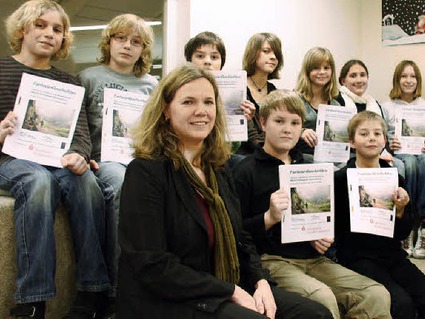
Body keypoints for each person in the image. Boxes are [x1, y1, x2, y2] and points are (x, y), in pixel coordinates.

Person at [117, 64, 331, 319]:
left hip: (224, 284)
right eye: (188, 102)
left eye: (209, 102)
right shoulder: (146, 172)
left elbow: (241, 237)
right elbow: (153, 266)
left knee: (314, 314)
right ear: (165, 110)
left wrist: (260, 282)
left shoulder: (218, 168)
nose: (201, 111)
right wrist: (230, 291)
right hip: (171, 298)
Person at [234, 89, 391, 319]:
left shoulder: (310, 167)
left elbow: (321, 215)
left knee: (376, 294)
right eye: (279, 121)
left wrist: (321, 233)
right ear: (263, 122)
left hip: (313, 258)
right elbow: (235, 233)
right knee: (323, 298)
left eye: (295, 123)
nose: (288, 129)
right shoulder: (245, 170)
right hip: (272, 260)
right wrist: (268, 218)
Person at [0, 1, 112, 318]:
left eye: (58, 29)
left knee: (88, 183)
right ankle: (32, 300)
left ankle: (93, 294)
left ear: (64, 39)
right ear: (22, 29)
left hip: (56, 160)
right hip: (9, 160)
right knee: (37, 181)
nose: (50, 33)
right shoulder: (0, 71)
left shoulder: (69, 82)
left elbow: (80, 133)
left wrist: (80, 155)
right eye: (41, 25)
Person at [334, 111, 425, 319]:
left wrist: (402, 210)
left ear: (385, 140)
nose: (371, 138)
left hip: (391, 254)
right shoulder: (340, 179)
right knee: (399, 304)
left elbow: (403, 233)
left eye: (377, 134)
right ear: (351, 142)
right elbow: (336, 229)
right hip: (356, 257)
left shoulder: (394, 177)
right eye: (364, 134)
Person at [78, 14, 158, 304]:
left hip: (142, 158)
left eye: (136, 42)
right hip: (104, 160)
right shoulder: (89, 77)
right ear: (108, 41)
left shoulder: (151, 84)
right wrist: (82, 155)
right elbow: (78, 124)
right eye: (121, 38)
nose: (127, 46)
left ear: (144, 49)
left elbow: (158, 127)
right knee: (123, 185)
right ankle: (117, 291)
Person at [381, 60, 425, 258]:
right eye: (404, 76)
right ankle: (407, 223)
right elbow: (382, 135)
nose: (408, 80)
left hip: (422, 152)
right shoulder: (387, 106)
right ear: (397, 79)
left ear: (418, 80)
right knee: (411, 164)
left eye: (412, 76)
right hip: (401, 153)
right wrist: (390, 143)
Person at [183, 31, 256, 168]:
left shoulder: (235, 90)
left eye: (214, 57)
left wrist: (246, 120)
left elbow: (234, 144)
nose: (207, 61)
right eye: (200, 56)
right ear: (189, 61)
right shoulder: (179, 90)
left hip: (223, 154)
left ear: (221, 63)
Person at [236, 32, 283, 155]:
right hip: (244, 154)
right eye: (266, 51)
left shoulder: (274, 92)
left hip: (270, 152)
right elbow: (249, 136)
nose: (273, 57)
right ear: (253, 53)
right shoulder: (238, 87)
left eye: (276, 54)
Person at [293, 47, 340, 161]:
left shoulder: (336, 105)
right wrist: (302, 131)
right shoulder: (294, 100)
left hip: (331, 159)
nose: (322, 72)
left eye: (326, 68)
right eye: (316, 68)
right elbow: (282, 128)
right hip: (301, 157)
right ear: (307, 71)